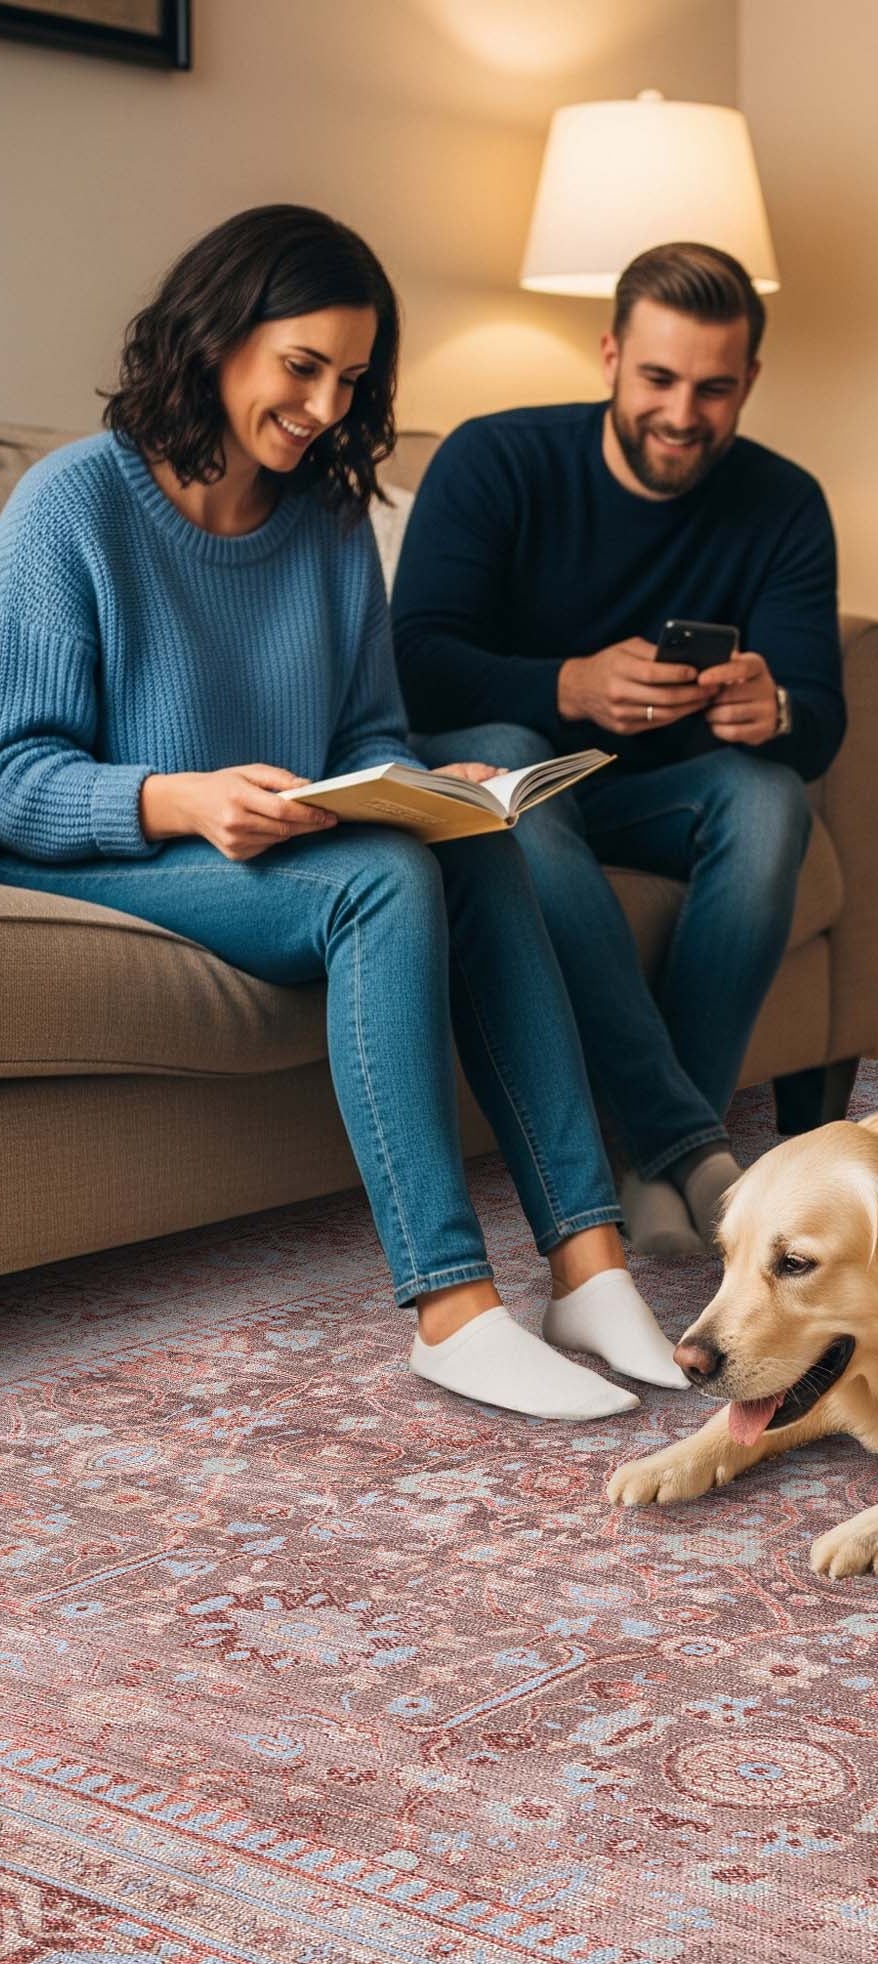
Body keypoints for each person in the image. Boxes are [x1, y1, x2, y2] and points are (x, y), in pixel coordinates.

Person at [0, 204, 689, 1420]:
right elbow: (14, 775)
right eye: (301, 366)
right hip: (112, 850)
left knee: (466, 848)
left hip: (281, 841)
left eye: (351, 378)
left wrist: (424, 788)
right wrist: (177, 796)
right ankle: (448, 1305)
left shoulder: (325, 515)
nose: (323, 407)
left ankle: (587, 1262)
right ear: (216, 338)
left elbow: (366, 729)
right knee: (385, 882)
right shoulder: (70, 509)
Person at [391, 242, 845, 1257]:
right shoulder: (495, 459)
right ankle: (688, 1145)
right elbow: (412, 661)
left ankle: (650, 1163)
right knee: (514, 755)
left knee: (770, 795)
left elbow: (821, 712)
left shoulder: (783, 502)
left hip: (653, 794)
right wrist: (566, 682)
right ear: (608, 357)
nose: (683, 414)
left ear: (749, 383)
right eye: (658, 378)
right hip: (503, 769)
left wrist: (775, 710)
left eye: (714, 388)